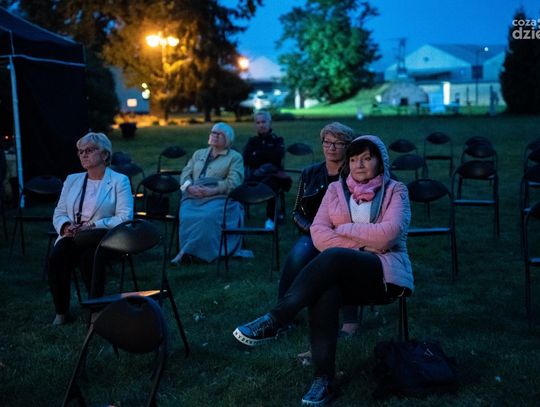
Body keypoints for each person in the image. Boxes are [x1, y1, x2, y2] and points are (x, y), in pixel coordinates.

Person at [233, 135, 413, 405]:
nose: (359, 164)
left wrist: (344, 230)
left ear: (381, 162)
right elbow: (318, 234)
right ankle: (323, 380)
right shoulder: (335, 191)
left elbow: (388, 235)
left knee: (334, 256)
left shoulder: (395, 191)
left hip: (384, 274)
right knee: (324, 291)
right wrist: (362, 240)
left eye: (367, 158)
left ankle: (277, 319)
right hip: (344, 275)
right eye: (354, 159)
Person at [279, 122, 360, 338]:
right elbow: (296, 212)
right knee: (297, 255)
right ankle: (283, 314)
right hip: (313, 232)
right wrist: (314, 230)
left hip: (345, 233)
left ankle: (351, 320)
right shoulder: (309, 173)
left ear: (348, 146)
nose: (331, 147)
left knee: (344, 258)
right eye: (327, 142)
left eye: (338, 143)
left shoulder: (355, 174)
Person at [49, 132, 134, 325]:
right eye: (80, 151)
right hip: (74, 236)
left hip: (105, 237)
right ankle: (61, 312)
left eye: (89, 150)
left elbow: (124, 217)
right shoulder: (72, 180)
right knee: (57, 257)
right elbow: (59, 212)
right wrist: (66, 226)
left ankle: (96, 310)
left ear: (104, 154)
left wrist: (94, 225)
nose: (83, 155)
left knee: (90, 257)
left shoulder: (119, 181)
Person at [171, 122, 244, 265]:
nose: (214, 135)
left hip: (220, 197)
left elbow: (234, 182)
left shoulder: (234, 157)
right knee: (186, 215)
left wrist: (213, 190)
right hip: (194, 195)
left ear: (227, 138)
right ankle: (188, 251)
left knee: (207, 216)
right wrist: (188, 187)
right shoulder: (199, 154)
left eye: (218, 134)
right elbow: (186, 173)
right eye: (213, 132)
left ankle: (196, 253)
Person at [243, 111, 291, 228]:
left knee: (272, 186)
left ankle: (271, 218)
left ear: (270, 123)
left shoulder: (277, 140)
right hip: (255, 175)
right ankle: (237, 215)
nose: (261, 125)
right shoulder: (252, 141)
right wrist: (266, 155)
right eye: (258, 122)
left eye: (263, 122)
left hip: (272, 176)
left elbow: (276, 157)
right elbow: (246, 158)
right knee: (237, 183)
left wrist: (257, 154)